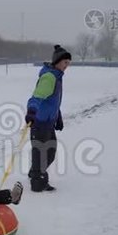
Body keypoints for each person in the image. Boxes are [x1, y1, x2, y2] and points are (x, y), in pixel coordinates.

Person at [25, 45, 71, 192]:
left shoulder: (57, 76)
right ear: (57, 61)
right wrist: (32, 111)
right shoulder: (49, 77)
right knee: (41, 153)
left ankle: (35, 172)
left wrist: (58, 116)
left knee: (50, 152)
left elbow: (52, 100)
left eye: (68, 63)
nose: (67, 66)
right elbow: (36, 97)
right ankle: (37, 183)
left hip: (48, 123)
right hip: (39, 122)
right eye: (65, 63)